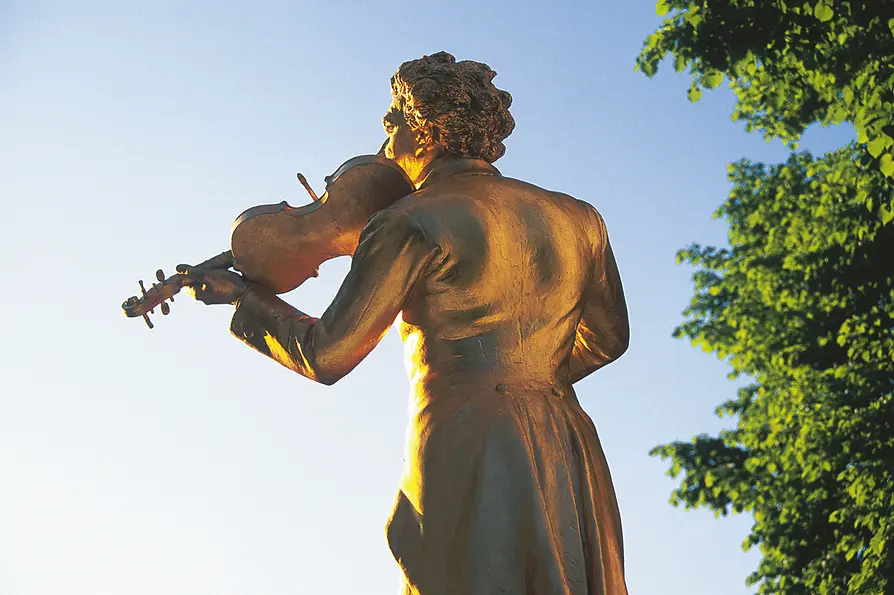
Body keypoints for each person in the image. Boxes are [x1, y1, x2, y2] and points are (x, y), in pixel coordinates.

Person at [179, 51, 630, 595]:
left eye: (392, 122)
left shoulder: (409, 219)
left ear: (427, 127)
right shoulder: (580, 219)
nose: (384, 142)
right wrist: (529, 375)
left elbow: (327, 353)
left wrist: (245, 299)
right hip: (565, 440)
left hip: (468, 437)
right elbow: (608, 340)